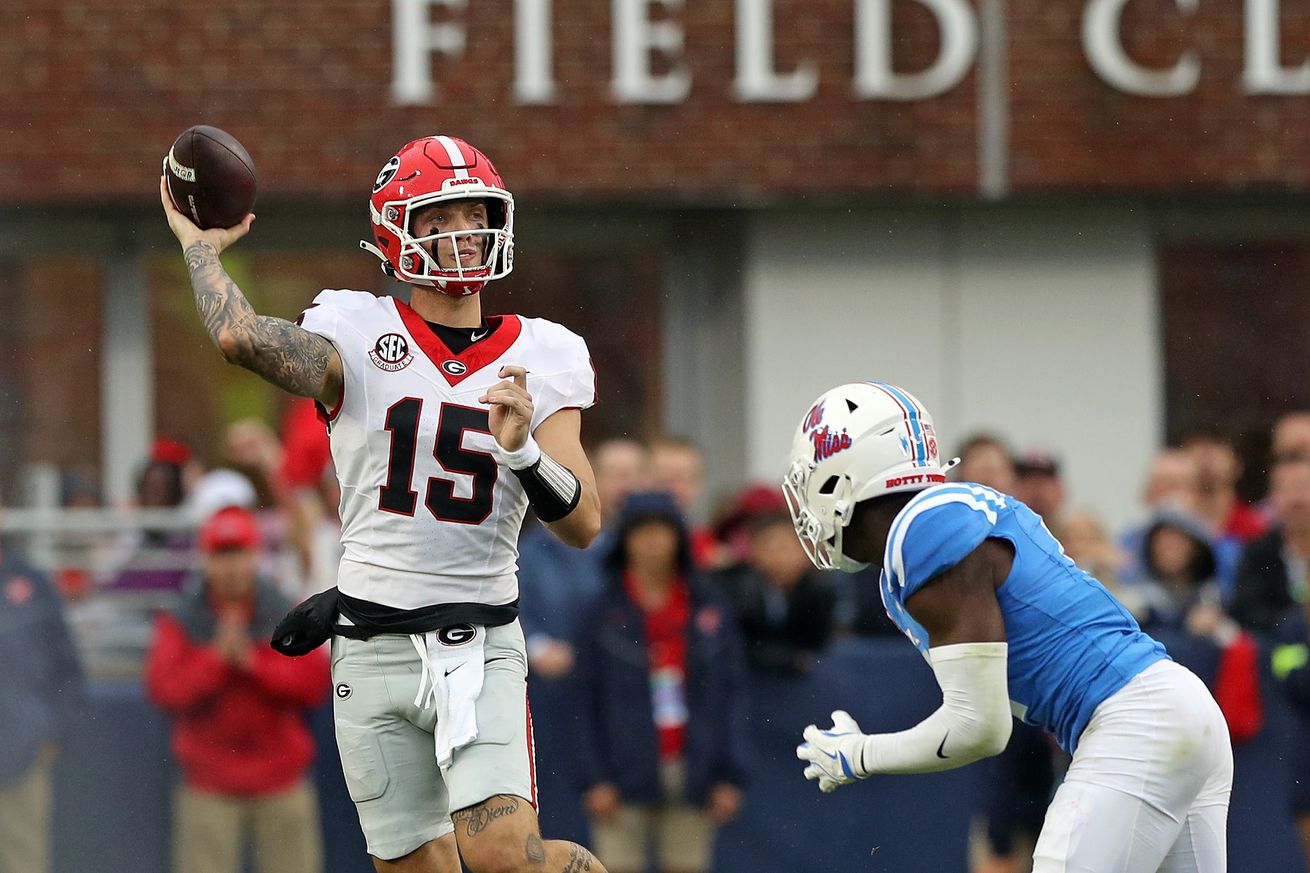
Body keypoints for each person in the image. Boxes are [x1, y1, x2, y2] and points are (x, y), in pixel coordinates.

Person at [161, 134, 608, 873]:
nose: (464, 233)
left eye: (475, 212)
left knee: (505, 856)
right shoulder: (354, 329)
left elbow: (585, 522)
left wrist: (523, 449)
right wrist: (201, 250)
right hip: (368, 647)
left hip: (478, 642)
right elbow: (240, 337)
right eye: (440, 217)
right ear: (395, 233)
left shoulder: (547, 352)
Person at [785, 382, 1232, 873]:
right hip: (1179, 708)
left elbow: (979, 728)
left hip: (1135, 721)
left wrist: (860, 755)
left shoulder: (925, 531)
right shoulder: (950, 513)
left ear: (844, 476)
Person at [145, 506, 330, 873]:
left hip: (279, 782)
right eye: (221, 554)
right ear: (205, 559)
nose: (231, 566)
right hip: (209, 786)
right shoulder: (184, 617)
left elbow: (314, 683)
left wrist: (252, 662)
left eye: (239, 553)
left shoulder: (282, 610)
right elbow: (163, 689)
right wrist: (216, 659)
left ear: (255, 555)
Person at [574, 491, 748, 873]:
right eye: (641, 532)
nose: (652, 543)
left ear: (678, 538)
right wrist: (595, 778)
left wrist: (728, 775)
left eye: (662, 531)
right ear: (625, 541)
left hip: (693, 771)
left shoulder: (709, 607)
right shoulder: (601, 612)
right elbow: (583, 702)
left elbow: (730, 696)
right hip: (620, 776)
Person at [0, 510, 83, 873]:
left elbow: (66, 666)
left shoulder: (32, 582)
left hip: (20, 755)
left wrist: (52, 732)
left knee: (24, 862)